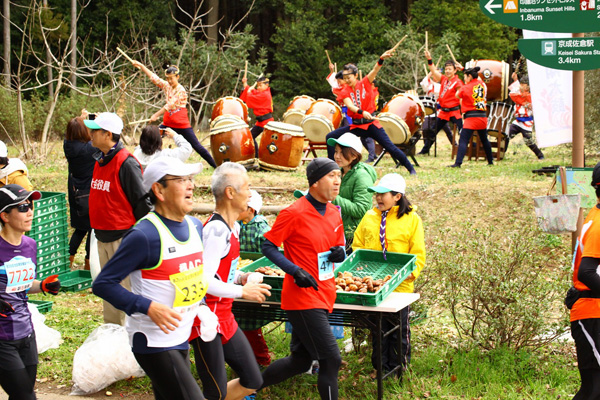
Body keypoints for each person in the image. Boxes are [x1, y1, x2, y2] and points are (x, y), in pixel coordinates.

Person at [93, 157, 216, 400]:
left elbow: (190, 276)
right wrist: (147, 306)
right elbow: (103, 284)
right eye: (181, 180)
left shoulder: (195, 226)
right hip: (153, 339)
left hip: (180, 334)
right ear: (158, 190)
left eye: (190, 179)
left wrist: (202, 305)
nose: (190, 185)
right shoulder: (144, 235)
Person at [259, 157, 346, 400]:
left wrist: (341, 251)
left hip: (325, 292)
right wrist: (294, 270)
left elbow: (338, 245)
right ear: (315, 182)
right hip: (302, 298)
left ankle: (249, 388)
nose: (337, 181)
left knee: (300, 360)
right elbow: (268, 246)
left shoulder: (334, 212)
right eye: (332, 176)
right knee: (331, 359)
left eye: (339, 176)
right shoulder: (294, 212)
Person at [189, 162, 271, 400]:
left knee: (253, 379)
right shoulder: (216, 231)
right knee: (214, 391)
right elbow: (203, 282)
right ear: (230, 192)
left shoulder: (232, 228)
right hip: (206, 321)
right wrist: (243, 291)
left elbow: (219, 273)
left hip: (225, 316)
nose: (250, 193)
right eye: (246, 187)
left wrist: (242, 277)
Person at [352, 173, 425, 377]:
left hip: (399, 286)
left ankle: (399, 368)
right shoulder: (369, 216)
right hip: (374, 284)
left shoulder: (412, 220)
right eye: (377, 194)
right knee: (378, 329)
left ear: (397, 196)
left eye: (383, 194)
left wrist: (409, 274)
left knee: (399, 329)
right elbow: (358, 244)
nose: (378, 198)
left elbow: (418, 253)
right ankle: (380, 367)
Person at [84, 112, 151, 325]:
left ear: (107, 134)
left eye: (95, 131)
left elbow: (142, 202)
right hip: (102, 235)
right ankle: (111, 331)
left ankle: (125, 338)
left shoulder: (126, 162)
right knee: (107, 290)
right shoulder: (100, 160)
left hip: (121, 238)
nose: (91, 134)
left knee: (122, 290)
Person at [0, 184, 61, 400]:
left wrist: (43, 285)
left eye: (31, 206)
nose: (30, 212)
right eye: (23, 207)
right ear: (5, 216)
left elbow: (22, 284)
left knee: (22, 395)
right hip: (2, 338)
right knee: (26, 397)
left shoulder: (30, 245)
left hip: (26, 332)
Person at [325, 50, 416, 175]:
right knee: (330, 136)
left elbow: (375, 70)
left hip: (371, 124)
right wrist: (362, 112)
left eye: (349, 77)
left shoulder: (365, 83)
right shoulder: (344, 91)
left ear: (356, 76)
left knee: (390, 147)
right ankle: (333, 168)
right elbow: (350, 106)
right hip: (356, 125)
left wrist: (381, 58)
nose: (346, 80)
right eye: (344, 78)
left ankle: (411, 168)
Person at [130, 61, 217, 168]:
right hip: (168, 122)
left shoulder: (181, 90)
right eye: (168, 78)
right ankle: (139, 162)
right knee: (150, 137)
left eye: (172, 78)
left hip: (181, 123)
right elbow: (154, 78)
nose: (169, 81)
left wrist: (156, 115)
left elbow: (170, 105)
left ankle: (216, 166)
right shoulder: (167, 86)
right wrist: (142, 66)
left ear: (177, 77)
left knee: (197, 146)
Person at [569, 162, 600, 400]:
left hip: (592, 312)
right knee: (593, 390)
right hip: (592, 313)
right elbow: (586, 273)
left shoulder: (595, 212)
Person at [237, 189, 273, 368]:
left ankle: (262, 359)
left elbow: (270, 254)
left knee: (250, 322)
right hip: (237, 276)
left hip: (255, 279)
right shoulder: (235, 224)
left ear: (251, 210)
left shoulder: (261, 228)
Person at [326, 132, 377, 251]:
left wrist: (333, 198)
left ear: (354, 156)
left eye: (342, 153)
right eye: (336, 151)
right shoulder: (338, 172)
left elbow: (361, 209)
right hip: (338, 232)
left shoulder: (362, 176)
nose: (337, 156)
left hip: (354, 235)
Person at [326, 63, 376, 161]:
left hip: (362, 115)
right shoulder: (344, 89)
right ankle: (370, 155)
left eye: (341, 80)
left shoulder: (357, 87)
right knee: (355, 135)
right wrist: (332, 71)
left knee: (366, 135)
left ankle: (371, 155)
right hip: (351, 114)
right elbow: (334, 86)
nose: (339, 83)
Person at [64, 115, 95, 270]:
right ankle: (88, 263)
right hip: (89, 192)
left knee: (80, 228)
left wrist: (82, 119)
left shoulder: (67, 144)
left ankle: (69, 258)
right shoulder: (89, 149)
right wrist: (96, 123)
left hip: (75, 191)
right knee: (91, 228)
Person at [419, 51, 464, 155]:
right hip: (443, 112)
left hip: (454, 111)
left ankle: (472, 148)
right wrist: (429, 59)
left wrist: (464, 111)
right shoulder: (444, 79)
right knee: (432, 131)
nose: (448, 71)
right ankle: (425, 150)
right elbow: (433, 71)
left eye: (450, 69)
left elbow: (461, 94)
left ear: (455, 70)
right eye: (446, 69)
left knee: (463, 131)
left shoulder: (458, 82)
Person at [448, 67, 494, 168]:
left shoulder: (465, 88)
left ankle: (458, 163)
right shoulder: (482, 85)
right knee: (484, 139)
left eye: (465, 77)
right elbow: (479, 80)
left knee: (463, 140)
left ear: (469, 76)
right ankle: (490, 161)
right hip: (482, 117)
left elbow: (457, 95)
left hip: (471, 118)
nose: (464, 79)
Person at [506, 74, 544, 160]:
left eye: (523, 85)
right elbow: (513, 94)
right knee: (506, 136)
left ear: (528, 87)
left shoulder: (531, 96)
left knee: (529, 142)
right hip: (517, 122)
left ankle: (540, 155)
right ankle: (500, 154)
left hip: (527, 122)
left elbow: (515, 94)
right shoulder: (519, 94)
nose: (521, 86)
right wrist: (515, 79)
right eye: (521, 84)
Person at [240, 76, 274, 157]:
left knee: (268, 142)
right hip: (260, 122)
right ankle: (256, 156)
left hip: (267, 122)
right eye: (257, 85)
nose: (258, 87)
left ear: (266, 85)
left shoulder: (265, 95)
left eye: (260, 85)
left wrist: (248, 91)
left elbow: (251, 96)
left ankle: (268, 158)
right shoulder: (261, 92)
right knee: (251, 136)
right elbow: (253, 92)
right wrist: (245, 84)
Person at [419, 72, 454, 150]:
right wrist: (430, 73)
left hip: (440, 111)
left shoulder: (443, 86)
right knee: (425, 129)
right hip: (429, 111)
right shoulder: (429, 86)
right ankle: (426, 148)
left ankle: (455, 145)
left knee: (447, 130)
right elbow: (423, 83)